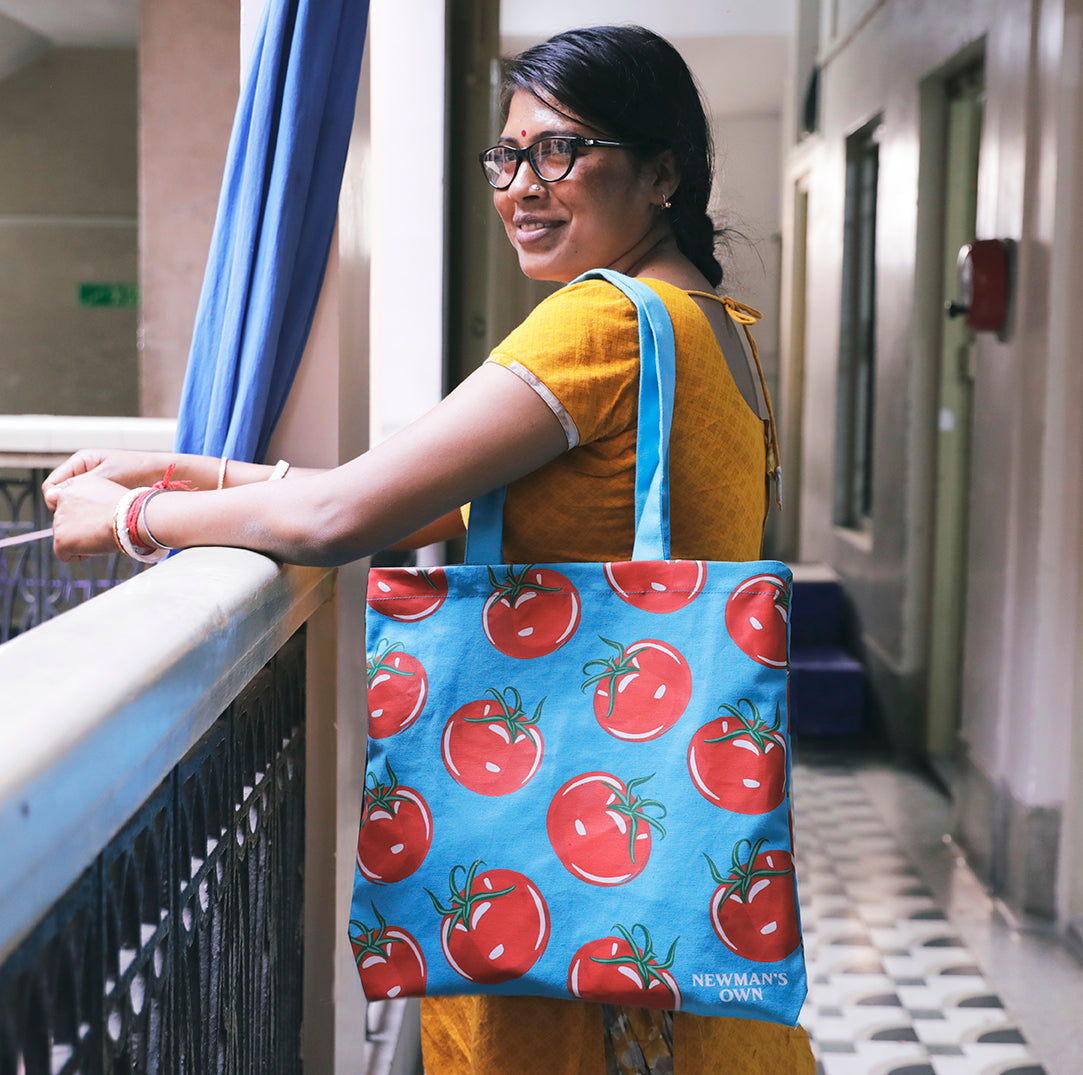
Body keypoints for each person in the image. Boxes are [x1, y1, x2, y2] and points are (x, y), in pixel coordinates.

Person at [44, 24, 814, 1075]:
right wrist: (183, 474)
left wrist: (130, 523)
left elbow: (338, 521)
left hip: (551, 876)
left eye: (561, 150)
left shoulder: (596, 325)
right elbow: (416, 504)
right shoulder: (721, 332)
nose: (521, 187)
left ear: (664, 171)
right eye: (509, 155)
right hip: (652, 867)